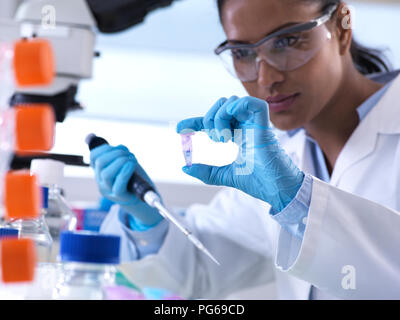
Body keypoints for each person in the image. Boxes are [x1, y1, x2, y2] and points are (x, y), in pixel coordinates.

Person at [91, 0, 400, 299]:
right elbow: (200, 268)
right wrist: (147, 218)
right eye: (241, 53)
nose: (266, 79)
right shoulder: (281, 157)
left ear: (342, 28)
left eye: (287, 41)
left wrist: (297, 200)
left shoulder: (283, 177)